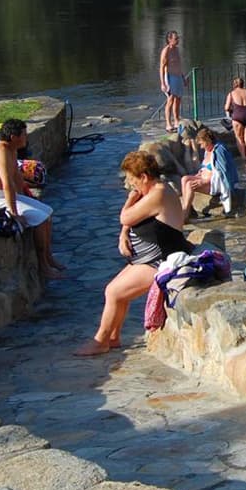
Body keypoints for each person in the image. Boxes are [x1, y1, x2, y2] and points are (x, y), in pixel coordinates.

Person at [75, 151, 192, 356]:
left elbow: (126, 217)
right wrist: (123, 236)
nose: (131, 186)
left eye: (132, 180)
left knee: (113, 292)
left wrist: (130, 199)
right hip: (147, 258)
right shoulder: (152, 192)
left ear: (144, 177)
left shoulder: (159, 193)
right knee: (116, 293)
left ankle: (101, 341)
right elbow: (130, 223)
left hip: (162, 260)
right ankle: (113, 338)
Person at [0, 119, 64, 278]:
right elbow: (7, 183)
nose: (26, 137)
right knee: (41, 218)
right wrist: (14, 213)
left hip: (4, 195)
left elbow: (17, 178)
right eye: (23, 134)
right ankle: (42, 266)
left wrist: (27, 199)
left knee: (48, 212)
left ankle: (49, 258)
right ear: (13, 136)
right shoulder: (1, 151)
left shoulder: (12, 149)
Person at [180, 128, 239, 219]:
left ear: (207, 140)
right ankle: (189, 209)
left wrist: (204, 182)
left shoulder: (219, 151)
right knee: (184, 179)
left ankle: (184, 214)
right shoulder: (207, 151)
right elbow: (209, 167)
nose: (201, 147)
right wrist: (201, 172)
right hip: (206, 180)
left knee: (189, 185)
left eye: (202, 144)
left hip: (215, 185)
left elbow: (223, 172)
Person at [224, 77, 246, 163]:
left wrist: (232, 110)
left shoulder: (231, 94)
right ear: (243, 84)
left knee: (239, 138)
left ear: (234, 84)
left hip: (237, 117)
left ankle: (243, 157)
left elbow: (226, 108)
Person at [159, 31, 186, 133]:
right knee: (170, 99)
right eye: (176, 38)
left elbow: (179, 65)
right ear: (170, 39)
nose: (177, 40)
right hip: (170, 77)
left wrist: (183, 78)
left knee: (178, 99)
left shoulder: (177, 50)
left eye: (178, 38)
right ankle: (168, 124)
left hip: (178, 76)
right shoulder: (166, 51)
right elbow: (161, 67)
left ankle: (176, 120)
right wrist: (163, 83)